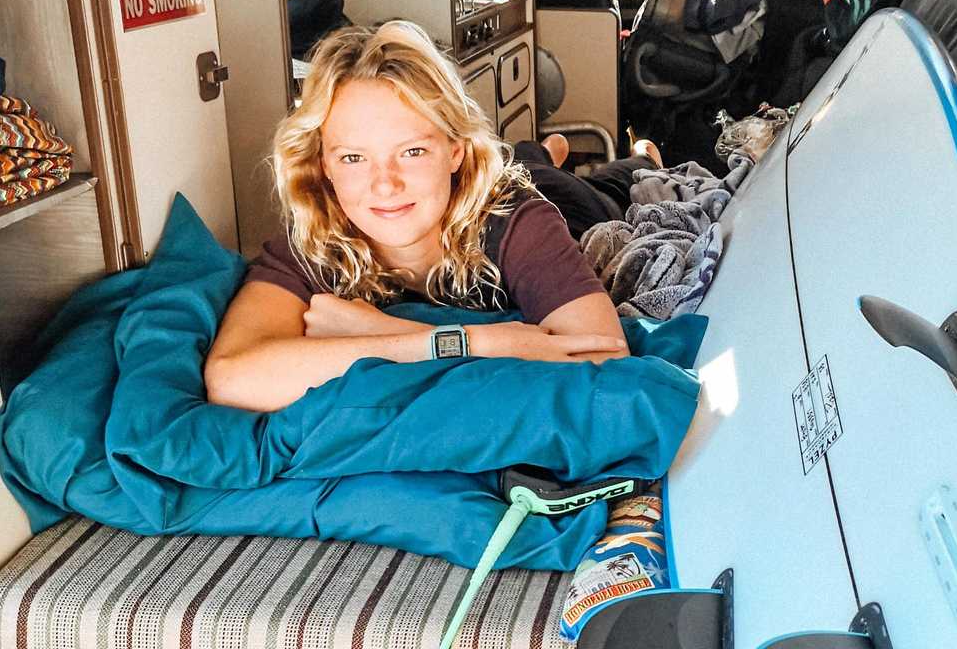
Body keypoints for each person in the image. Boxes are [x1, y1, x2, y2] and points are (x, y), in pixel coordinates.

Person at [204, 21, 661, 412]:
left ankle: (639, 157)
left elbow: (605, 357)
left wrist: (372, 331)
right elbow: (232, 377)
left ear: (455, 149)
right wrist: (474, 342)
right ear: (323, 162)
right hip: (485, 176)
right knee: (531, 158)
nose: (385, 184)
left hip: (563, 203)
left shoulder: (517, 222)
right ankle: (544, 151)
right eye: (353, 158)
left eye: (413, 151)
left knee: (609, 182)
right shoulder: (319, 233)